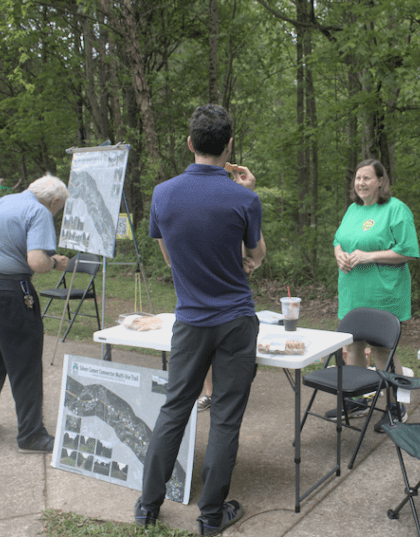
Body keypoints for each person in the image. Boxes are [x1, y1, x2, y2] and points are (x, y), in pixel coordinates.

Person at [134, 104, 266, 537]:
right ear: (229, 146)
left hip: (190, 319)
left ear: (190, 143)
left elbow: (169, 253)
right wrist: (247, 191)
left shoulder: (163, 194)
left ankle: (147, 507)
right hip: (235, 319)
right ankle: (211, 518)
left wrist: (192, 274)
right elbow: (256, 255)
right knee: (225, 416)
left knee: (175, 408)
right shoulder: (244, 197)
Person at [0, 174, 71, 453]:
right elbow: (36, 261)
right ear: (54, 200)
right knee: (25, 362)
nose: (57, 212)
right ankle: (31, 436)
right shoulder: (39, 211)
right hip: (10, 290)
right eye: (59, 207)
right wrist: (56, 262)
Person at [329, 158, 420, 433]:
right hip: (353, 292)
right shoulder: (353, 210)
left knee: (382, 349)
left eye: (367, 178)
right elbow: (338, 241)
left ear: (381, 181)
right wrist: (339, 257)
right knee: (353, 346)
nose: (361, 183)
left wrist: (370, 255)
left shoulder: (396, 210)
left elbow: (408, 250)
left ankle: (395, 407)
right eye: (358, 178)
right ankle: (358, 400)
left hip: (384, 293)